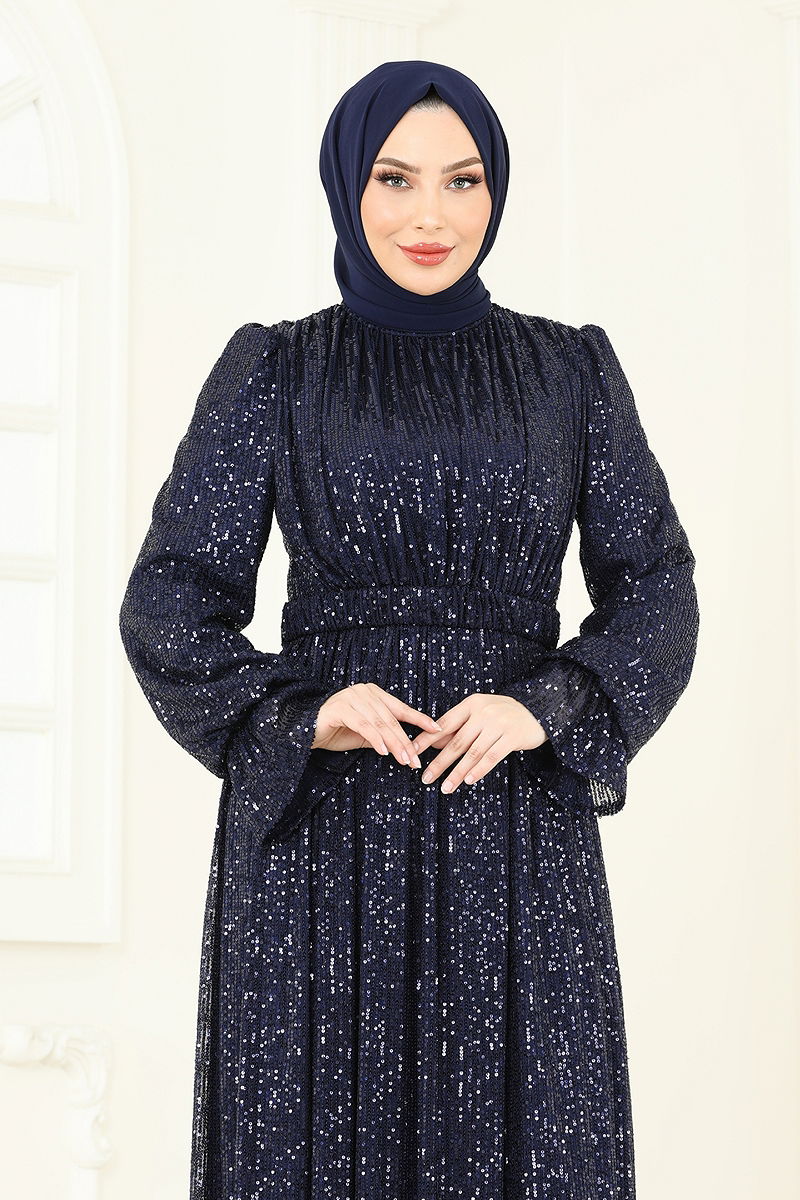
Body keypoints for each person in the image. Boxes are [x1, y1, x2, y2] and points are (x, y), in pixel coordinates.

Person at [119, 59, 699, 1199]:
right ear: (348, 185)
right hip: (320, 836)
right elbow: (169, 598)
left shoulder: (570, 370)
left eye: (461, 180)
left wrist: (546, 705)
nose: (430, 215)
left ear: (496, 190)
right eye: (394, 179)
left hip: (514, 827)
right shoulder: (276, 369)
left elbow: (657, 587)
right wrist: (305, 711)